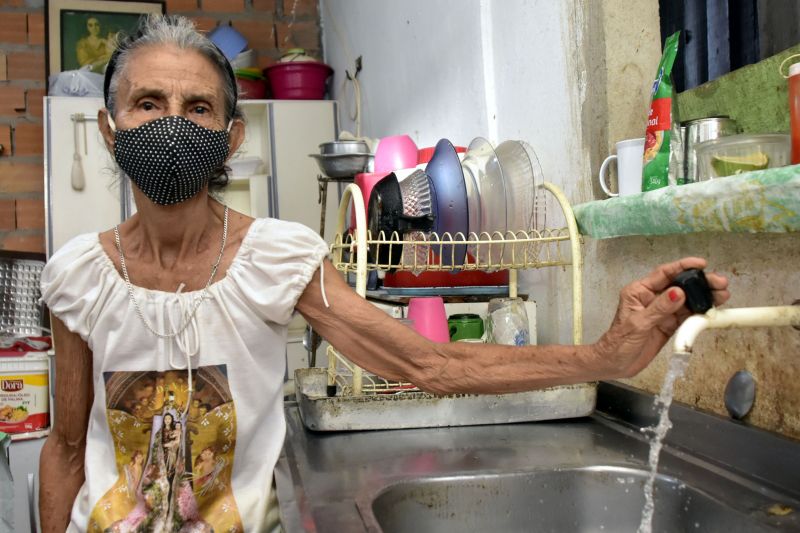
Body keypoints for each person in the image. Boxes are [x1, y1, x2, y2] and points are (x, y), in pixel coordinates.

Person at [38, 14, 730, 533]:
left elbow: (429, 363)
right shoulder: (78, 277)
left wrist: (604, 355)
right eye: (148, 104)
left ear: (231, 134)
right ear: (109, 127)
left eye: (197, 109)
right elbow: (67, 447)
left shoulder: (277, 258)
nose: (171, 125)